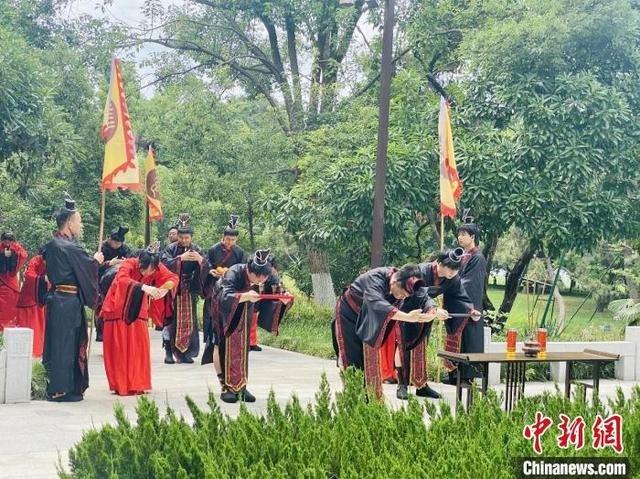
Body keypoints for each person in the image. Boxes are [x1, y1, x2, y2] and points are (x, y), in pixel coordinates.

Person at [332, 264, 447, 399]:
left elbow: (424, 297)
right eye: (402, 294)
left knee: (368, 359)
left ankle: (370, 398)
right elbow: (377, 304)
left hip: (370, 317)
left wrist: (433, 310)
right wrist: (408, 317)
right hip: (350, 313)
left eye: (405, 296)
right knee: (353, 357)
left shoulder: (405, 283)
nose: (403, 298)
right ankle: (353, 396)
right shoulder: (375, 278)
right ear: (394, 282)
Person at [396, 248, 480, 399]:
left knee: (421, 348)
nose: (451, 274)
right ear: (439, 263)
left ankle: (421, 386)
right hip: (408, 311)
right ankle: (402, 385)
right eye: (449, 269)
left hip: (426, 315)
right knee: (404, 347)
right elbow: (419, 293)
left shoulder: (452, 278)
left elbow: (459, 297)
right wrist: (434, 309)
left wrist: (470, 311)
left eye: (455, 270)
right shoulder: (420, 271)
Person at [42, 196, 103, 402]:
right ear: (69, 223)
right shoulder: (69, 248)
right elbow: (87, 268)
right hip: (67, 302)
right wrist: (96, 261)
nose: (81, 224)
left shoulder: (52, 244)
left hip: (58, 299)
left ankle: (63, 387)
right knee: (65, 345)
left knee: (61, 343)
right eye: (79, 220)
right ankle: (61, 389)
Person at [100, 244, 178, 395]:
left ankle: (138, 382)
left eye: (152, 270)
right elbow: (122, 280)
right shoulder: (129, 263)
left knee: (139, 346)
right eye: (145, 269)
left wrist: (164, 290)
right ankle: (121, 384)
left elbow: (172, 277)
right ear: (139, 262)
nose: (148, 273)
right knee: (119, 347)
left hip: (139, 306)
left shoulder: (157, 266)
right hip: (118, 305)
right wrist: (144, 287)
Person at [214, 249, 273, 403]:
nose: (262, 281)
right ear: (250, 270)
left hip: (244, 309)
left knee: (242, 346)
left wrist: (284, 297)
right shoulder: (234, 272)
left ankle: (241, 385)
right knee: (223, 345)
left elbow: (277, 288)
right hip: (221, 310)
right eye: (258, 278)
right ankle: (226, 386)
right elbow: (225, 296)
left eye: (264, 277)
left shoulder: (265, 274)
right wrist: (245, 296)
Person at [202, 215, 246, 370]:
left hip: (230, 287)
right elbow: (206, 264)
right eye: (227, 239)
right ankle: (212, 344)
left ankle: (230, 343)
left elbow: (242, 269)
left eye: (232, 240)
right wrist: (211, 271)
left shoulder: (239, 252)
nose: (229, 243)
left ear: (236, 240)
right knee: (213, 317)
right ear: (223, 237)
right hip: (215, 286)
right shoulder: (214, 249)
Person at [161, 214, 206, 364]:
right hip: (172, 288)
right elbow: (163, 264)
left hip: (189, 288)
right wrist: (180, 258)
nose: (184, 240)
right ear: (178, 236)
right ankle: (168, 350)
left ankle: (185, 352)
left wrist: (200, 261)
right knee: (169, 319)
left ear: (191, 237)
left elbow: (207, 265)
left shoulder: (197, 249)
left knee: (188, 321)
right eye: (181, 237)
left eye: (187, 238)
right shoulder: (170, 248)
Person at [455, 211, 487, 384]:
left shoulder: (478, 257)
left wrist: (453, 285)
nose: (460, 237)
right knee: (457, 339)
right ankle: (455, 373)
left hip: (470, 304)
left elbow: (470, 283)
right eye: (459, 234)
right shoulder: (461, 255)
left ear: (472, 236)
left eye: (463, 234)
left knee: (469, 339)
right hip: (458, 304)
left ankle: (468, 375)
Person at [96, 226, 134, 341]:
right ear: (109, 239)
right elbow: (94, 265)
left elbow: (132, 261)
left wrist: (124, 263)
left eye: (120, 243)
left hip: (118, 281)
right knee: (101, 306)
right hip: (102, 281)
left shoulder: (125, 249)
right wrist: (109, 263)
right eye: (115, 242)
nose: (117, 244)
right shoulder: (101, 248)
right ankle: (100, 331)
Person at [15, 252, 48, 357]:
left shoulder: (53, 260)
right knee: (31, 327)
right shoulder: (35, 260)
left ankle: (39, 350)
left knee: (40, 327)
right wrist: (43, 279)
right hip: (30, 297)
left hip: (42, 298)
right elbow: (29, 275)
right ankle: (32, 351)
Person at [0, 232, 28, 330]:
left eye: (10, 240)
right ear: (2, 240)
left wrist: (13, 252)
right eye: (5, 239)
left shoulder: (16, 247)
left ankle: (9, 326)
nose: (7, 242)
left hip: (11, 283)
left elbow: (24, 255)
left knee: (10, 306)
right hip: (1, 282)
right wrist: (2, 254)